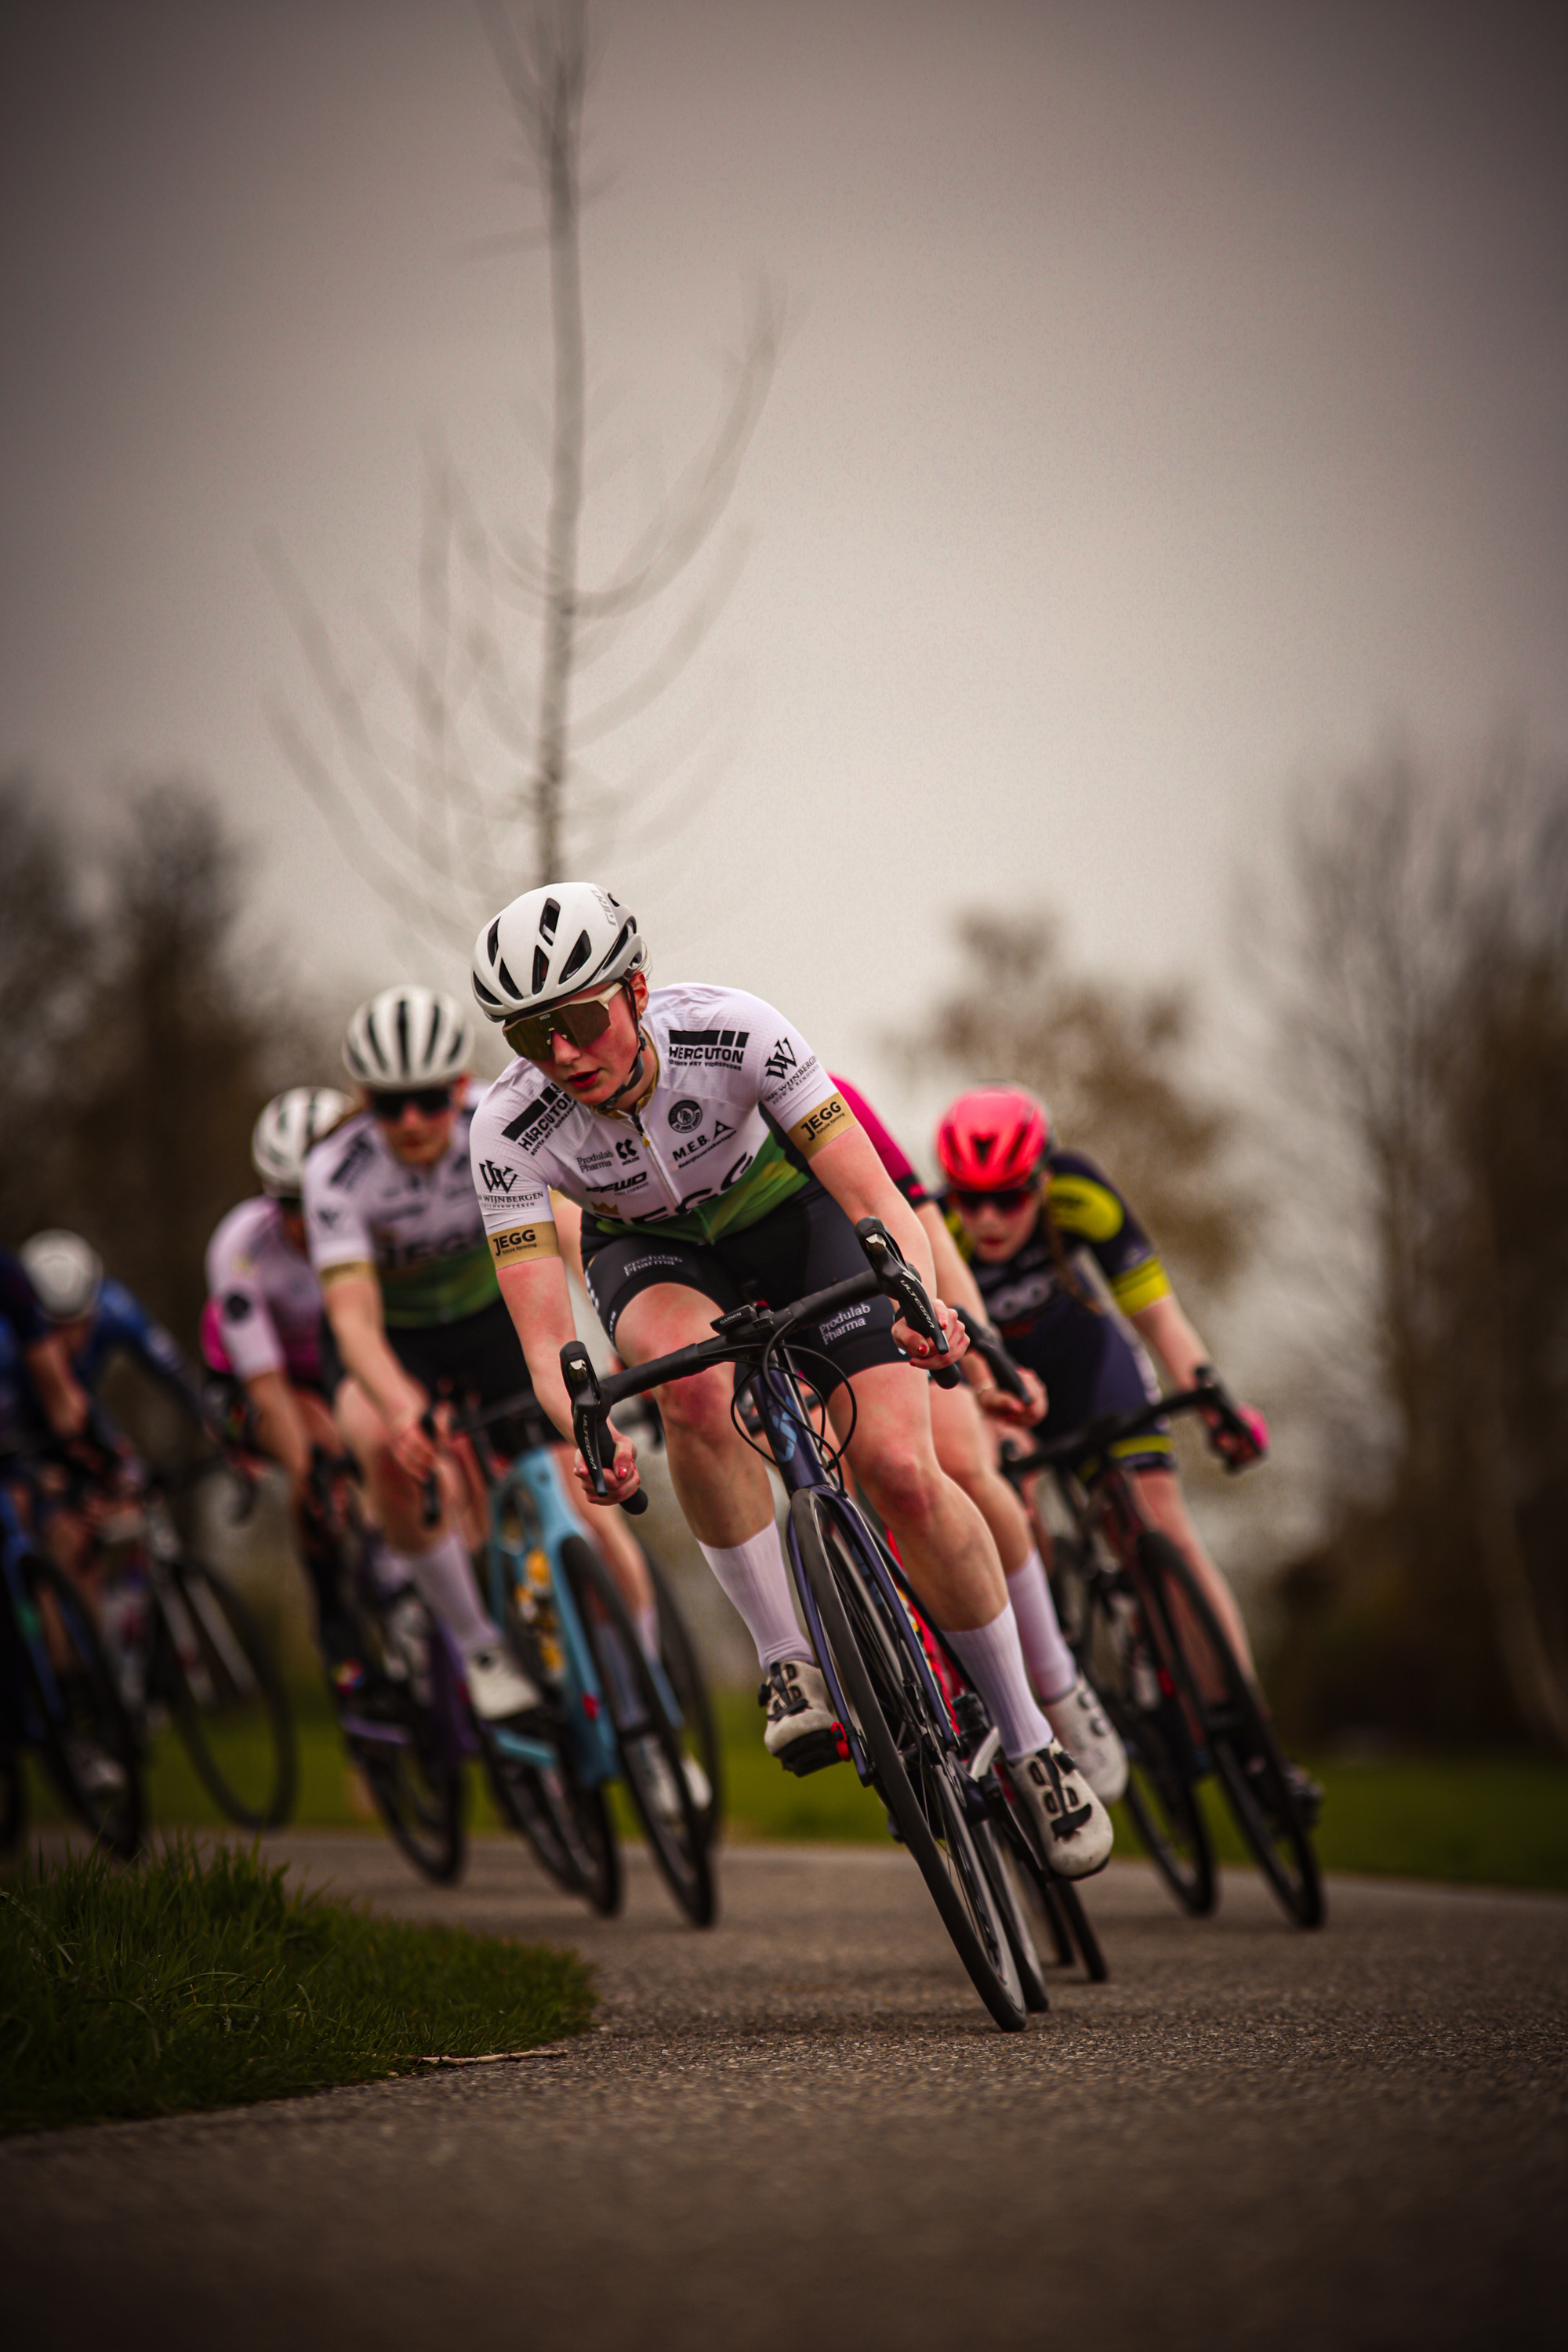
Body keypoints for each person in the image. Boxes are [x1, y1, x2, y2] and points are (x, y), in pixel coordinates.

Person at [466, 881, 1112, 1878]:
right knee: (685, 1392)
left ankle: (1032, 1745)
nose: (560, 1054)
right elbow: (547, 1334)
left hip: (797, 1222)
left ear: (635, 991)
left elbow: (873, 1196)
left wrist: (923, 1307)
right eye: (528, 1035)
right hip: (653, 1253)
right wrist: (583, 1434)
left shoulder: (736, 1031)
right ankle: (786, 1661)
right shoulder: (507, 1131)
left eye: (580, 1020)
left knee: (899, 1466)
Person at [934, 1084, 1316, 1817]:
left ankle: (1258, 1744)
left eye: (1009, 1198)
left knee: (1160, 1526)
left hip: (1088, 1367)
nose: (986, 1219)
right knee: (1011, 1506)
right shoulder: (938, 1225)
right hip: (1000, 1390)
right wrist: (993, 1414)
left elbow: (1158, 1314)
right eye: (969, 1199)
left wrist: (1212, 1399)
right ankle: (1057, 1665)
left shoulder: (1083, 1195)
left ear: (1043, 1180)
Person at [830, 1073, 1127, 1802]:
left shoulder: (807, 1088)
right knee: (817, 1474)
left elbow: (926, 1231)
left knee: (962, 1461)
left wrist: (989, 1354)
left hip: (863, 1294)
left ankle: (1056, 1684)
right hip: (762, 1320)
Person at [201, 1087, 356, 1663]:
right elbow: (266, 1384)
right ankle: (333, 1616)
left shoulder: (371, 1224)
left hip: (333, 1367)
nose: (307, 1222)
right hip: (257, 1381)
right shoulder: (241, 1247)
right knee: (318, 1452)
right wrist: (311, 1472)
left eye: (318, 1202)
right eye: (291, 1205)